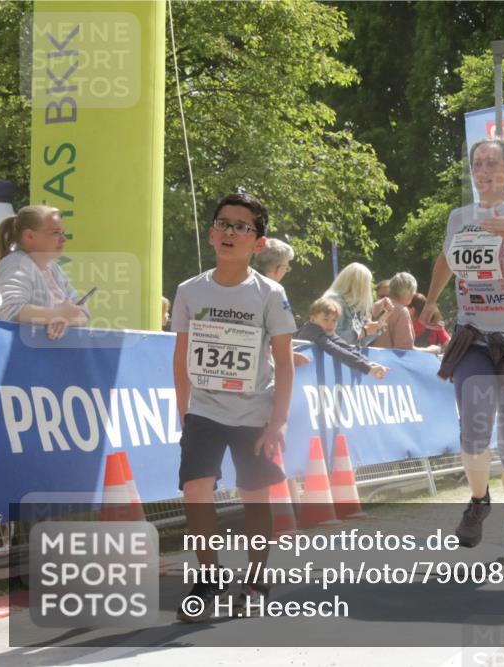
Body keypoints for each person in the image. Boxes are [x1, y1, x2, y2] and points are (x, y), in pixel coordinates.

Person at [418, 138, 504, 563]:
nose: (484, 171)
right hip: (473, 339)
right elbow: (445, 259)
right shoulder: (459, 217)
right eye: (477, 164)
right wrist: (430, 300)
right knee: (474, 431)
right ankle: (479, 500)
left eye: (493, 163)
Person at [170, 192, 296, 621]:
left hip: (254, 412)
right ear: (211, 233)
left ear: (258, 243)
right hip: (204, 410)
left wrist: (278, 420)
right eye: (223, 223)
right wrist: (184, 412)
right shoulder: (190, 290)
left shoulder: (270, 293)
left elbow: (284, 361)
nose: (230, 232)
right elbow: (181, 357)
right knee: (196, 490)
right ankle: (208, 576)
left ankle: (257, 579)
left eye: (242, 227)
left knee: (255, 496)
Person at [0, 205, 90, 340]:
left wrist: (62, 320)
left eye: (63, 233)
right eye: (56, 233)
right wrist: (56, 314)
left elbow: (84, 314)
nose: (63, 239)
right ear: (29, 236)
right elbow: (7, 309)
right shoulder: (16, 264)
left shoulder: (54, 269)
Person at [296, 296, 389, 378]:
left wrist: (369, 363)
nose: (330, 324)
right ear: (313, 319)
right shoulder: (312, 330)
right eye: (325, 319)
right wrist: (368, 369)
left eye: (334, 320)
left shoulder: (327, 331)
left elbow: (346, 347)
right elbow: (335, 350)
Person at [323, 262, 393, 347]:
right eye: (367, 283)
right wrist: (364, 331)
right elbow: (331, 338)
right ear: (358, 285)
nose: (369, 288)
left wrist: (379, 322)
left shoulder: (353, 304)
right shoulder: (333, 302)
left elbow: (360, 342)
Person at [373, 272, 440, 353]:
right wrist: (431, 350)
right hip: (387, 359)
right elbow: (405, 349)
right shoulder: (402, 311)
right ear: (409, 292)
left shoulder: (376, 305)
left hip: (369, 357)